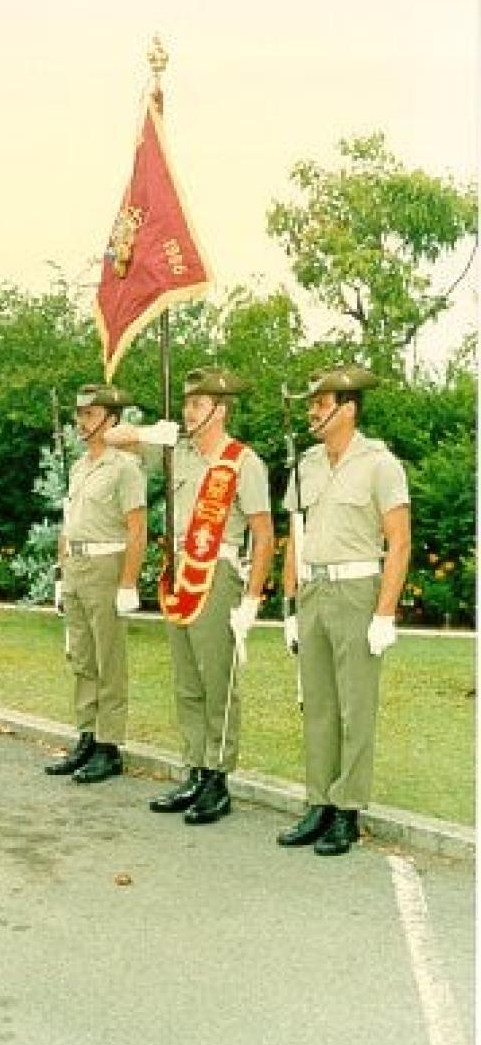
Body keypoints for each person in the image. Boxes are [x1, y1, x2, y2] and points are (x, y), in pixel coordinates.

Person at [106, 367, 273, 824]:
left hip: (217, 570)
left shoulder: (243, 462)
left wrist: (252, 600)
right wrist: (150, 432)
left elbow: (264, 534)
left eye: (197, 404)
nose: (187, 411)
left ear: (219, 410)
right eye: (186, 403)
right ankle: (195, 768)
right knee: (187, 680)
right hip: (179, 569)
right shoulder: (177, 454)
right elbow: (114, 435)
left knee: (216, 679)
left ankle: (218, 779)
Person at [277, 365, 410, 856]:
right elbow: (296, 536)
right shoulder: (305, 464)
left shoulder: (380, 464)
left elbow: (399, 543)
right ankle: (319, 802)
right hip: (313, 593)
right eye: (311, 402)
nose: (312, 411)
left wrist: (385, 614)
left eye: (321, 402)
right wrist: (289, 605)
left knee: (355, 707)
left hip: (357, 592)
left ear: (348, 409)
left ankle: (347, 811)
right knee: (318, 705)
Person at [43, 383, 147, 784]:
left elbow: (137, 529)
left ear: (111, 418)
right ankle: (87, 735)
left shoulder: (125, 467)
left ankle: (109, 746)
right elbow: (68, 525)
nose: (80, 422)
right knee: (83, 658)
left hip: (107, 564)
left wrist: (128, 583)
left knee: (109, 660)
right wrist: (59, 573)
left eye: (89, 414)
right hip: (76, 566)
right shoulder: (79, 467)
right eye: (79, 415)